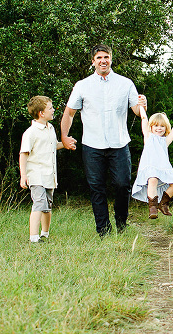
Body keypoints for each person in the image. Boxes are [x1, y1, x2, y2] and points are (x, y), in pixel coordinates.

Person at [61, 44, 147, 237]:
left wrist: (143, 104)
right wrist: (64, 137)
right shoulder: (82, 86)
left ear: (111, 59)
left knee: (123, 184)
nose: (103, 61)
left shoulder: (125, 83)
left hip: (119, 144)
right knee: (96, 188)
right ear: (93, 61)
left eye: (106, 57)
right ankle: (103, 231)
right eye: (99, 58)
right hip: (92, 145)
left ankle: (122, 225)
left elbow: (136, 110)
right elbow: (70, 113)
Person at [19, 96, 65, 243]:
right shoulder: (31, 132)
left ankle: (45, 234)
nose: (53, 110)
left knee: (48, 205)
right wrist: (23, 175)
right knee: (39, 203)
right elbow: (24, 153)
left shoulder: (50, 128)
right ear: (41, 113)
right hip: (36, 175)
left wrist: (66, 143)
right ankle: (33, 237)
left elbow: (53, 146)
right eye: (50, 108)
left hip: (49, 175)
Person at [131, 106, 173, 218]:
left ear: (166, 128)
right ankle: (153, 207)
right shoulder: (148, 136)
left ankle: (163, 203)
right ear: (150, 127)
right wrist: (141, 106)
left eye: (162, 126)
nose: (159, 128)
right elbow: (143, 118)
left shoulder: (165, 140)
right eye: (156, 126)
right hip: (150, 166)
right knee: (152, 179)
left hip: (163, 168)